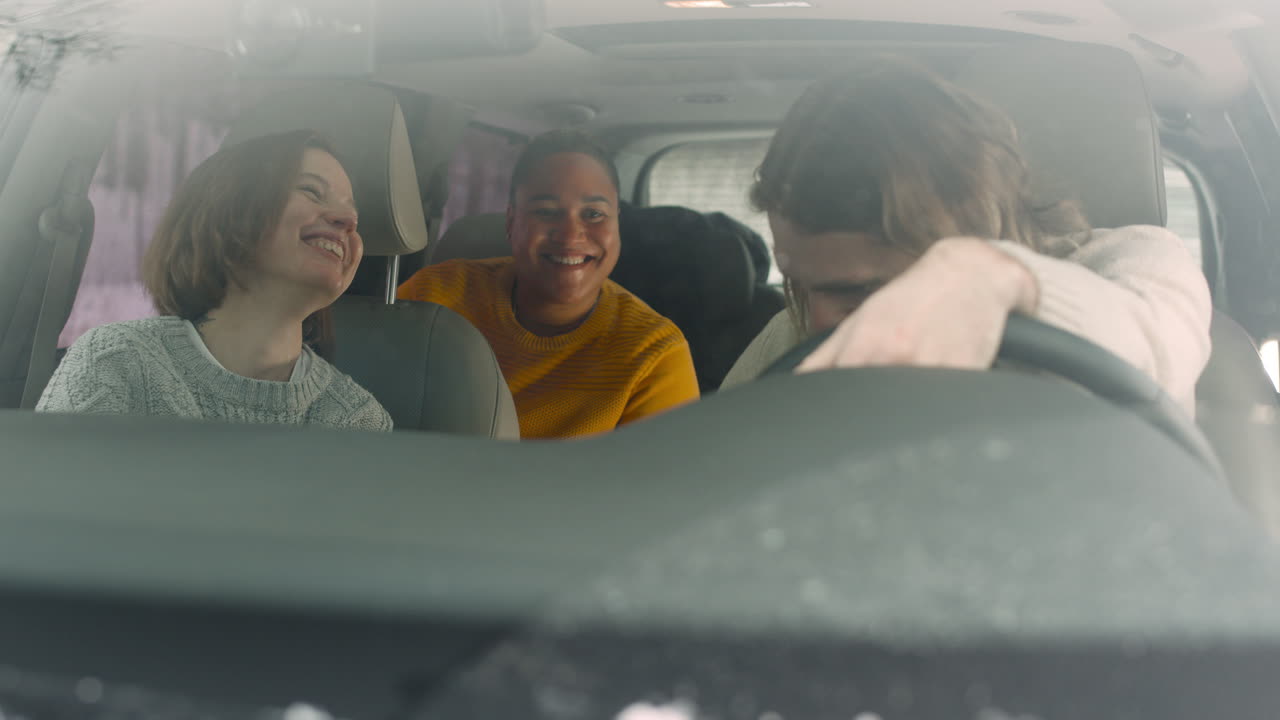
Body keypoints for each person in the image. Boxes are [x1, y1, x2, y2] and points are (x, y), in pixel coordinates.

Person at [720, 58, 1212, 416]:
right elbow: (723, 456)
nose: (820, 316)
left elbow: (1156, 353)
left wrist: (993, 278)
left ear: (969, 222)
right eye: (799, 280)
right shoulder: (793, 329)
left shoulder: (1135, 262)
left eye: (859, 290)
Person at [38, 130, 392, 431]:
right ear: (229, 212)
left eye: (352, 212)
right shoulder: (116, 363)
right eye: (312, 192)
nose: (347, 219)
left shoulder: (359, 421)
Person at [397, 130, 699, 439]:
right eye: (546, 212)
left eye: (594, 214)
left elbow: (653, 484)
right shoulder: (434, 294)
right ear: (511, 221)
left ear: (617, 223)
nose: (569, 236)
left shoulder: (653, 354)